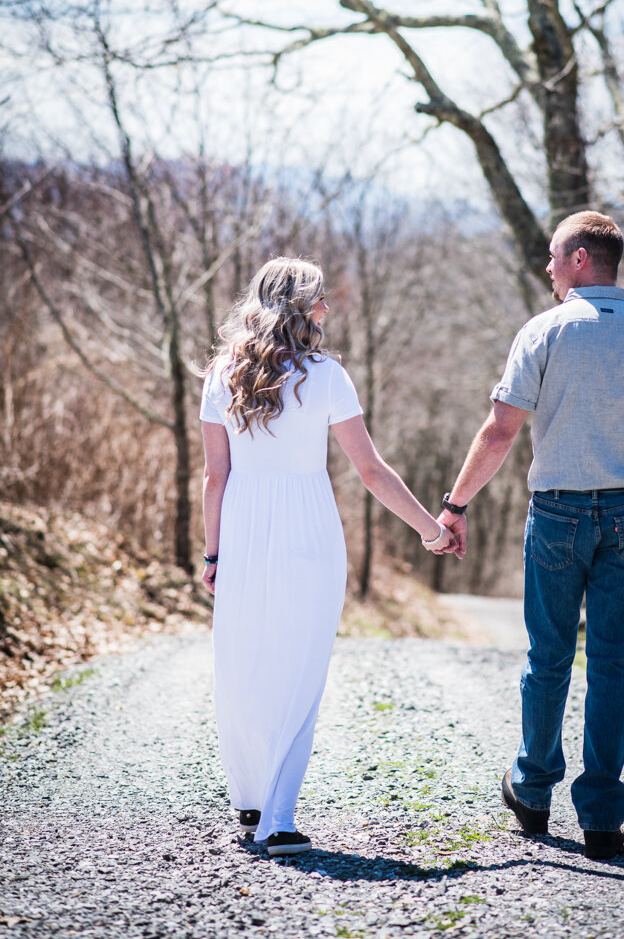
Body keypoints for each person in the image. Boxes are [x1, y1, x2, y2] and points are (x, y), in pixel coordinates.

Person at [436, 211, 624, 860]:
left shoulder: (544, 332)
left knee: (547, 657)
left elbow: (499, 431)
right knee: (612, 664)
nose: (547, 268)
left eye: (553, 257)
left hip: (556, 514)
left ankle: (531, 789)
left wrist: (454, 504)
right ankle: (602, 818)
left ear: (580, 259)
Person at [199, 256, 458, 855]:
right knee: (300, 667)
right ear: (297, 306)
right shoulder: (326, 375)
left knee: (242, 661)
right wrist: (430, 530)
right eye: (318, 299)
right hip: (308, 530)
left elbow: (216, 477)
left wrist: (213, 555)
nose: (325, 308)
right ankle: (280, 819)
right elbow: (369, 471)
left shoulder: (222, 374)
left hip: (242, 525)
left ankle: (252, 801)